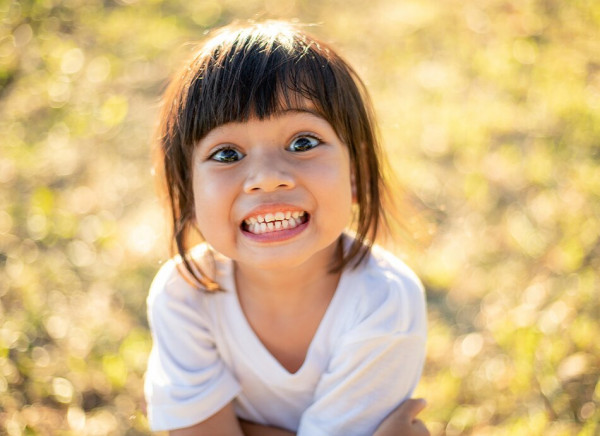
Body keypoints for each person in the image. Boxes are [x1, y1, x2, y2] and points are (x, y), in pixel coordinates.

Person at [144, 20, 428, 436]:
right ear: (189, 194)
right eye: (226, 153)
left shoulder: (384, 301)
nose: (267, 177)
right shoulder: (184, 297)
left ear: (355, 172)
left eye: (303, 143)